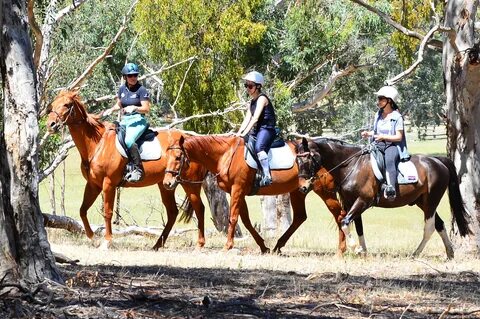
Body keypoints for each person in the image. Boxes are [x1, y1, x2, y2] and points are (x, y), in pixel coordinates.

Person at [103, 62, 151, 182]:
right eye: (130, 76)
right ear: (125, 77)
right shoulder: (122, 89)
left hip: (138, 120)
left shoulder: (141, 90)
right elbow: (119, 103)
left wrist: (135, 108)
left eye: (135, 75)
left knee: (129, 140)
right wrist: (111, 109)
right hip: (125, 120)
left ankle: (138, 170)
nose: (133, 77)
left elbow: (146, 109)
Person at [361, 85, 409, 200]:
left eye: (381, 99)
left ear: (389, 100)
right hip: (377, 145)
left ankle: (391, 190)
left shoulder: (397, 117)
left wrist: (384, 137)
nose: (378, 101)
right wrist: (369, 133)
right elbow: (377, 132)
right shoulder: (378, 114)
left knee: (389, 161)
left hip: (391, 146)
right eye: (378, 99)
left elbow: (398, 137)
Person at [236, 71, 276, 187]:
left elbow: (254, 119)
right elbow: (246, 119)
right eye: (246, 85)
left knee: (259, 147)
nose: (247, 88)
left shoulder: (262, 99)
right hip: (258, 130)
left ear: (258, 86)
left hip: (267, 129)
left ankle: (267, 175)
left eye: (250, 86)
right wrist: (238, 133)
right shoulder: (252, 102)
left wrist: (244, 133)